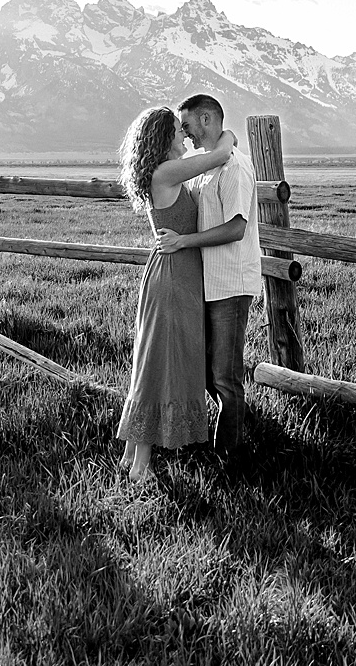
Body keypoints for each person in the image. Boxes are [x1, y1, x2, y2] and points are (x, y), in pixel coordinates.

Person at [115, 106, 239, 481]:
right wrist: (228, 136)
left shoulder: (165, 175)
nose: (185, 135)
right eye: (177, 130)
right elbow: (219, 155)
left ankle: (131, 454)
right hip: (172, 276)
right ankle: (141, 465)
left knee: (154, 359)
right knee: (159, 362)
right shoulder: (165, 172)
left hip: (175, 273)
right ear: (161, 138)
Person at [154, 93, 262, 456]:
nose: (186, 136)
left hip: (231, 283)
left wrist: (184, 241)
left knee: (225, 377)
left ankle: (227, 457)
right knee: (205, 371)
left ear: (205, 119)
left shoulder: (235, 168)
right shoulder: (208, 165)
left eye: (188, 127)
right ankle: (219, 433)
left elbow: (236, 228)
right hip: (207, 283)